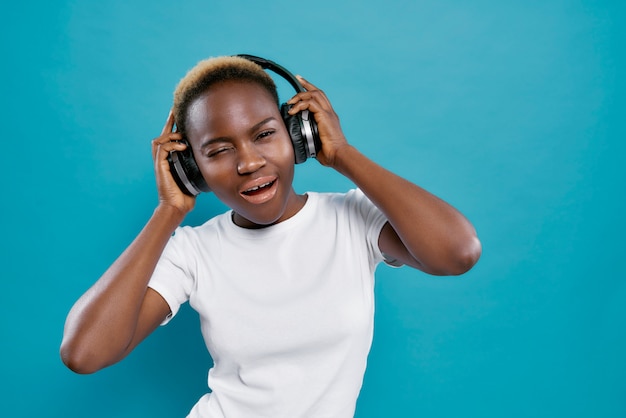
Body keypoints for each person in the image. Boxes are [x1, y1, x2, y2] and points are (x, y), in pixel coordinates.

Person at [60, 55, 482, 417]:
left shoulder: (353, 218)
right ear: (193, 170)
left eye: (264, 134)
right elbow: (84, 353)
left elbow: (458, 253)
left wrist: (342, 155)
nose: (248, 162)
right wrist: (169, 210)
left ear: (299, 136)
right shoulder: (192, 251)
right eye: (218, 150)